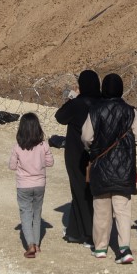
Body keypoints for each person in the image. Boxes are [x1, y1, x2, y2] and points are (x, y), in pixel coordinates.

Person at [81, 73, 137, 264]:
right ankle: (124, 249)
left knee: (101, 210)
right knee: (123, 211)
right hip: (124, 168)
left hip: (101, 167)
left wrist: (92, 149)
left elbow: (86, 137)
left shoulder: (95, 110)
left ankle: (100, 247)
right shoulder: (131, 111)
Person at [54, 69, 100, 246]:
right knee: (93, 192)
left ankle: (88, 233)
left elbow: (60, 117)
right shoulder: (102, 101)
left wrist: (74, 97)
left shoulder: (78, 103)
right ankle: (75, 231)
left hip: (77, 154)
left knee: (79, 190)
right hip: (98, 153)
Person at [8, 112, 53, 259]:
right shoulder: (43, 145)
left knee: (26, 214)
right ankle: (37, 244)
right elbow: (50, 163)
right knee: (37, 213)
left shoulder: (17, 147)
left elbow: (12, 166)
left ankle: (30, 245)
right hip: (40, 184)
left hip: (23, 185)